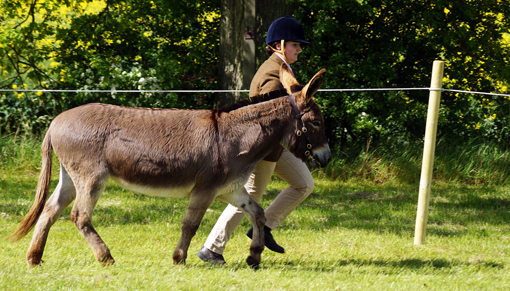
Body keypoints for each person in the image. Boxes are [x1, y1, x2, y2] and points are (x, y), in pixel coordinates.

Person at [198, 16, 313, 264]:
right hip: (263, 150)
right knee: (247, 197)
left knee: (304, 184)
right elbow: (272, 119)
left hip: (276, 148)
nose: (300, 49)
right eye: (296, 44)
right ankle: (212, 249)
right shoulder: (272, 74)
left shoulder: (280, 68)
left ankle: (266, 226)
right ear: (280, 44)